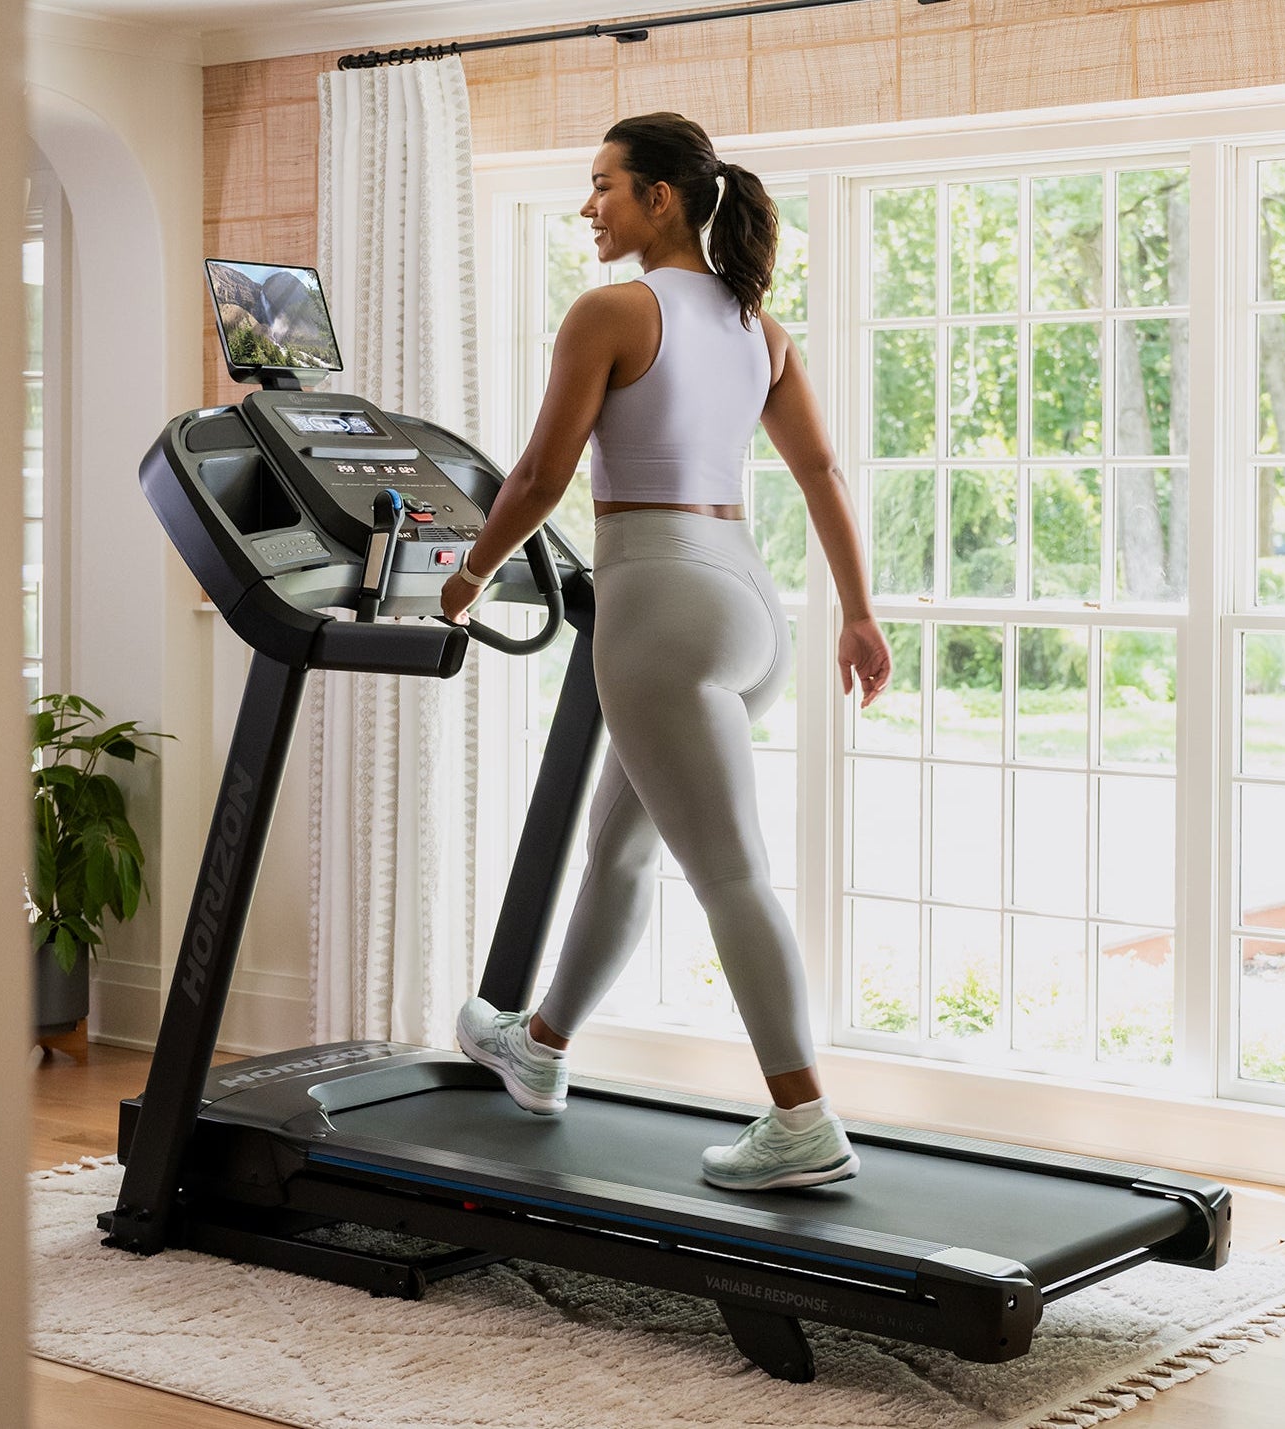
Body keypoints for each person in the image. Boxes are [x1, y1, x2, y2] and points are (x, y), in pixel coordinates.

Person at [443, 112, 891, 1192]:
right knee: (618, 846)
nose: (587, 206)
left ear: (661, 198)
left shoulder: (610, 311)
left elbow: (541, 478)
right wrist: (857, 613)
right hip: (746, 600)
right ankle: (539, 1046)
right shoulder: (757, 326)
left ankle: (802, 1117)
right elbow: (823, 472)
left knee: (727, 870)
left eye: (602, 184)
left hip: (658, 598)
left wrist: (463, 578)